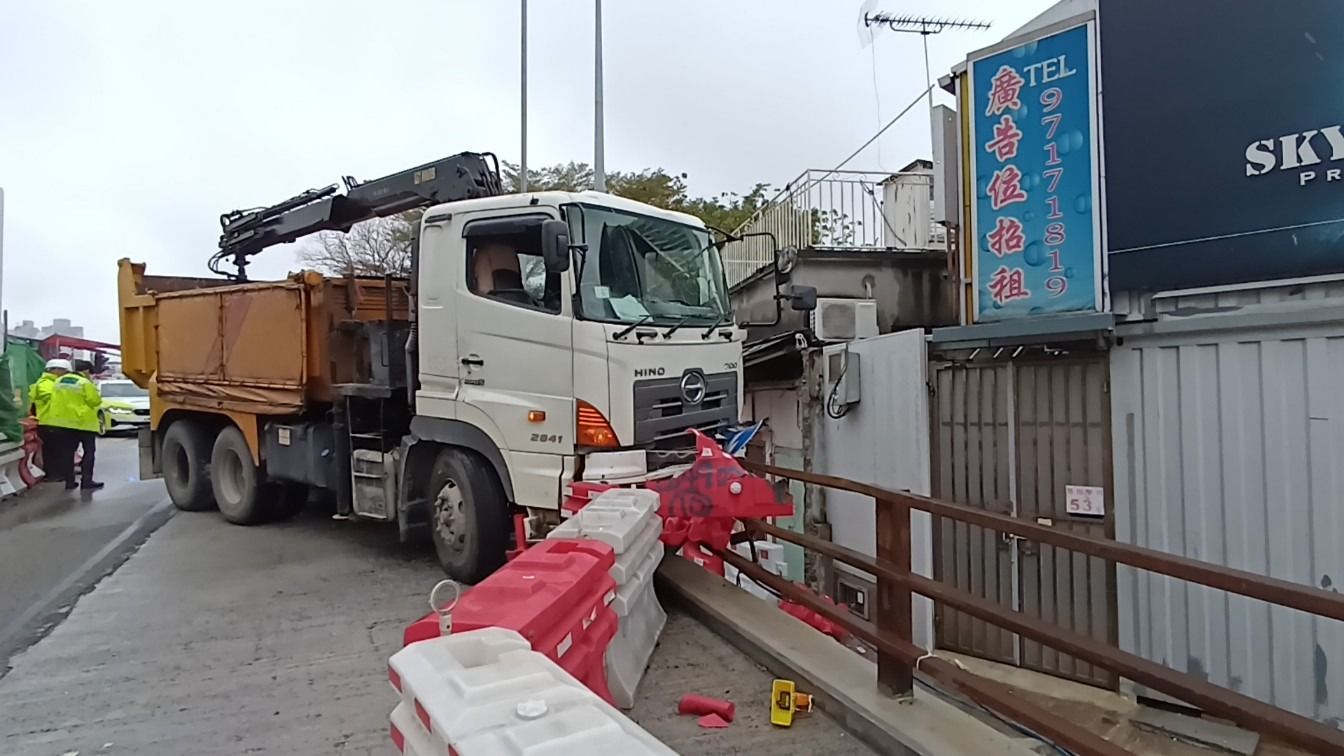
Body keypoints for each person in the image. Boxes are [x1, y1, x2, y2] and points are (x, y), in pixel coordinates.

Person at [46, 359, 104, 490]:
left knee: (67, 453)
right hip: (84, 423)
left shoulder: (58, 382)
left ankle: (69, 482)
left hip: (64, 423)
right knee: (89, 452)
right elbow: (94, 401)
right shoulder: (84, 383)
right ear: (85, 371)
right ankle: (86, 481)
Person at [29, 358, 72, 484]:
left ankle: (60, 473)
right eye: (64, 371)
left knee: (59, 449)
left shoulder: (56, 383)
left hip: (57, 421)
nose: (66, 374)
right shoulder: (45, 383)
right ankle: (53, 474)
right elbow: (52, 397)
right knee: (52, 450)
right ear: (55, 370)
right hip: (49, 422)